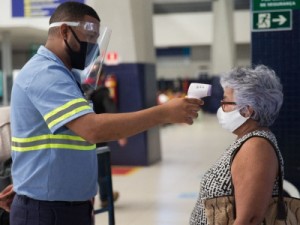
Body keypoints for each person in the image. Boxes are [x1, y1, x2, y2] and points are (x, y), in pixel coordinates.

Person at [9, 2, 202, 225]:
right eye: (90, 36)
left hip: (66, 206)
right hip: (47, 211)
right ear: (65, 31)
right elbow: (92, 128)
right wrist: (163, 114)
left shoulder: (66, 76)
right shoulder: (45, 73)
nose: (94, 46)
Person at [189, 65, 284, 225]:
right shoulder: (247, 139)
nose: (221, 107)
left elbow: (249, 219)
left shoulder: (256, 148)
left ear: (247, 111)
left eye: (226, 101)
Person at [89, 69, 126, 208]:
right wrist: (121, 134)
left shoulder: (81, 90)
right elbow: (112, 113)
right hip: (99, 137)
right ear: (102, 76)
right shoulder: (103, 93)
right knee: (102, 169)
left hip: (82, 138)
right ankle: (105, 197)